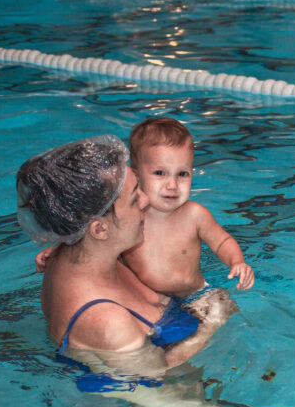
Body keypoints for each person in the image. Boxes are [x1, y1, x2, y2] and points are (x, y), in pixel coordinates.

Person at [17, 135, 235, 374]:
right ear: (100, 229)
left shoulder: (72, 255)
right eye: (134, 199)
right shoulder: (108, 322)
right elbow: (157, 385)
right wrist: (211, 324)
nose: (146, 200)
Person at [37, 118, 255, 298]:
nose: (173, 184)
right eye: (160, 173)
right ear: (136, 175)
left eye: (182, 174)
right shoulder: (129, 217)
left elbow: (222, 241)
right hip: (146, 297)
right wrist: (58, 250)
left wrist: (237, 262)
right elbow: (93, 238)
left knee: (222, 306)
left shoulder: (194, 215)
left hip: (194, 295)